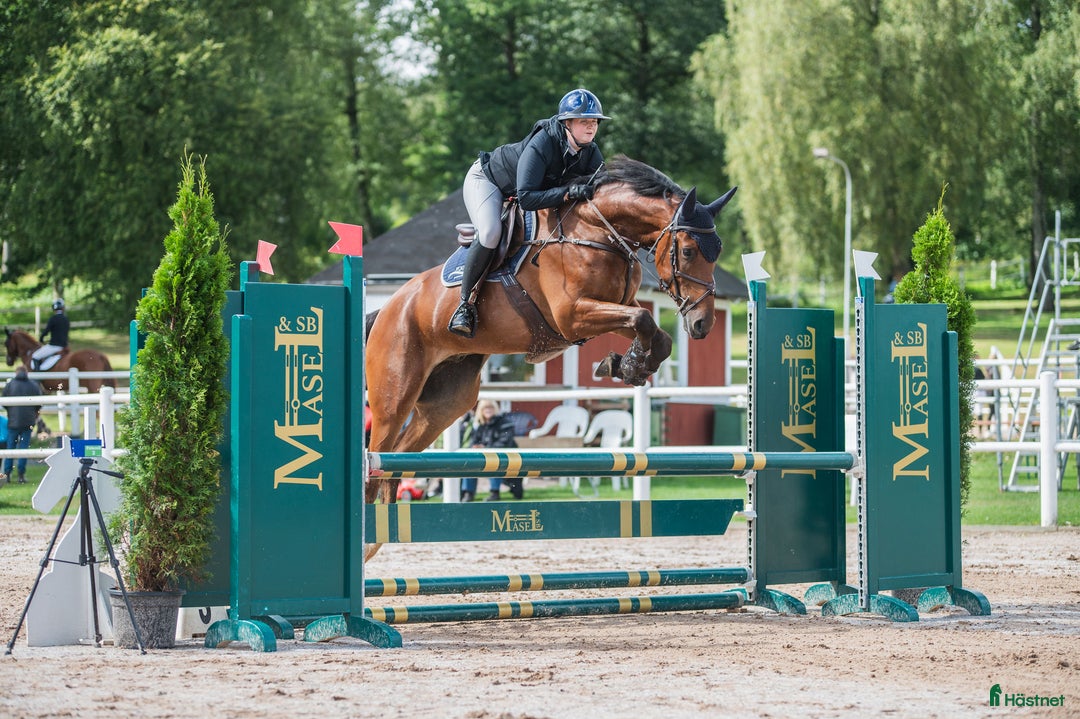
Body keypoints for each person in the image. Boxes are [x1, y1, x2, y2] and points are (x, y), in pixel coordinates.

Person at [447, 88, 610, 338]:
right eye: (584, 121)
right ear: (567, 123)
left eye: (594, 122)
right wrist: (567, 192)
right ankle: (464, 306)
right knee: (491, 233)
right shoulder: (543, 143)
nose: (591, 127)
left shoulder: (591, 153)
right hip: (490, 181)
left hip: (525, 190)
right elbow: (527, 197)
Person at [459, 399, 520, 502]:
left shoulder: (503, 422)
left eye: (490, 407)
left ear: (495, 409)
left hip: (504, 457)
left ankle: (494, 493)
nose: (488, 410)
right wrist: (475, 447)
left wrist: (486, 448)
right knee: (469, 464)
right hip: (484, 457)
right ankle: (469, 493)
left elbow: (505, 442)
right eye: (485, 408)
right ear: (481, 410)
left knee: (494, 462)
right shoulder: (480, 425)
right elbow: (473, 441)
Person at [1, 366, 43, 484]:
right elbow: (39, 403)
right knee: (24, 448)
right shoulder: (33, 385)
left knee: (10, 448)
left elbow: (4, 401)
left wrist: (11, 411)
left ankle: (7, 474)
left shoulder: (10, 385)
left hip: (13, 421)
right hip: (28, 421)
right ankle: (21, 474)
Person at [32, 298, 70, 370]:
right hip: (64, 346)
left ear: (54, 309)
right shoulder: (66, 319)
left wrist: (41, 338)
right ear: (63, 308)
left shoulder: (53, 318)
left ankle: (37, 378)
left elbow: (46, 331)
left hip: (54, 346)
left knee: (35, 356)